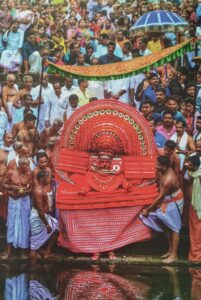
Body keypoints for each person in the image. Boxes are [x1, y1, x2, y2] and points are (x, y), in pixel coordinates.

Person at [140, 155, 183, 264]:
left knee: (175, 228)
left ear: (165, 166)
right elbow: (156, 181)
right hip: (167, 200)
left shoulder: (169, 179)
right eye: (156, 164)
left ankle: (174, 255)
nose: (156, 166)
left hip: (174, 201)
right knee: (168, 225)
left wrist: (148, 210)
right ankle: (170, 250)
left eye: (158, 165)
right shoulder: (161, 171)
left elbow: (160, 197)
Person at [1, 157, 32, 259]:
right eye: (26, 165)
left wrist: (25, 191)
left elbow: (31, 188)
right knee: (11, 224)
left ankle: (23, 251)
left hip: (24, 200)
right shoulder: (11, 173)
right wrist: (13, 188)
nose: (28, 167)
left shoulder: (29, 173)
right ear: (20, 165)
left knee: (25, 224)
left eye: (28, 165)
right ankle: (8, 251)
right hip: (13, 200)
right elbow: (3, 184)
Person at [30, 170, 59, 265]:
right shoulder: (38, 190)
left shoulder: (42, 188)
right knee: (34, 245)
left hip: (44, 216)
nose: (49, 179)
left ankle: (46, 251)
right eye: (47, 177)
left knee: (56, 227)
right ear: (42, 179)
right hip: (38, 217)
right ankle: (32, 270)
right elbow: (40, 210)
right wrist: (47, 225)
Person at [187, 155, 201, 262]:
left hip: (198, 206)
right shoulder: (192, 173)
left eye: (190, 164)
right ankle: (195, 255)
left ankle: (197, 257)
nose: (187, 165)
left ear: (196, 166)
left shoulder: (199, 175)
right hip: (193, 205)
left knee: (197, 231)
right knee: (194, 230)